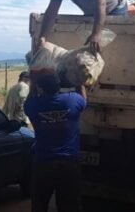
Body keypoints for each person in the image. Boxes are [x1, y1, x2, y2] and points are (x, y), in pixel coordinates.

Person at [24, 71, 87, 212]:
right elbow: (83, 98)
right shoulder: (73, 100)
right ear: (59, 86)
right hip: (69, 163)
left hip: (43, 163)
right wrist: (80, 81)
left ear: (40, 87)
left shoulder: (33, 105)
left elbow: (30, 97)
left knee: (39, 204)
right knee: (70, 205)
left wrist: (34, 81)